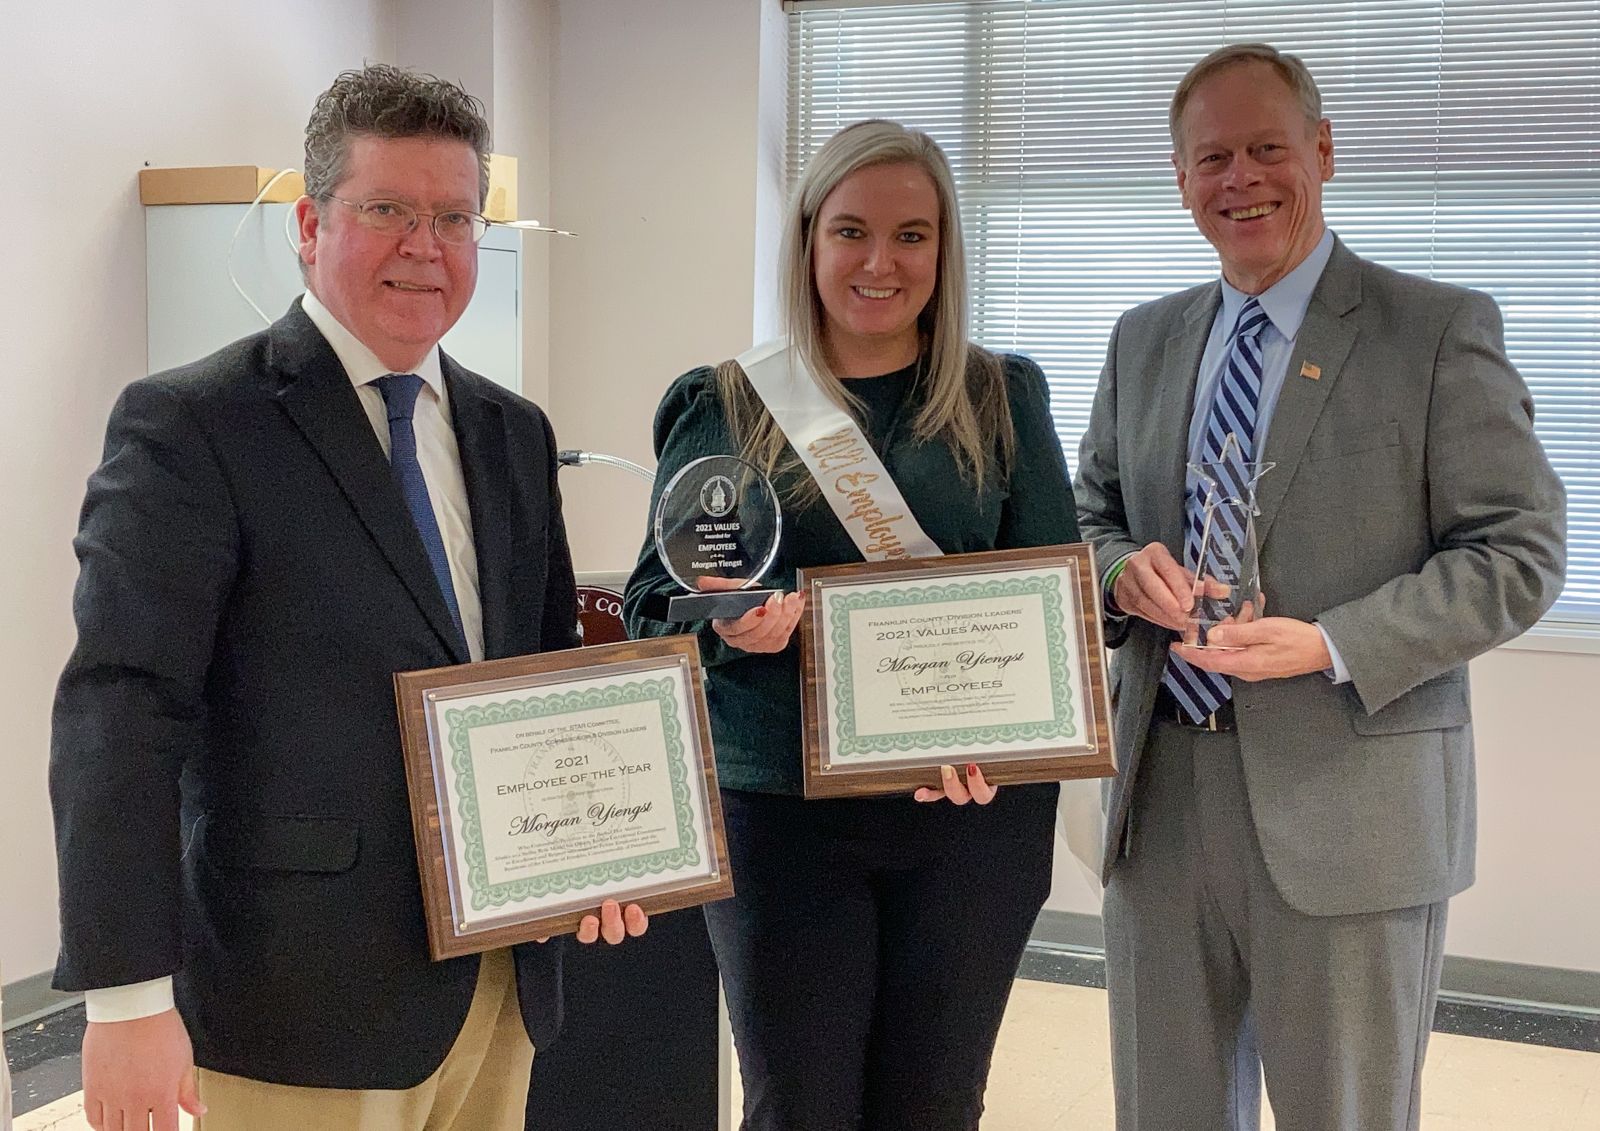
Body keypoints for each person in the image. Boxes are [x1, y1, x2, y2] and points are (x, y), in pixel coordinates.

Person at [50, 64, 644, 1131]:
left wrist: (597, 853)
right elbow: (120, 712)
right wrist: (129, 999)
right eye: (388, 210)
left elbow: (541, 684)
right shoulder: (192, 426)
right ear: (310, 226)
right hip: (296, 998)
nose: (426, 245)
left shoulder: (514, 434)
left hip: (497, 983)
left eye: (454, 217)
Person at [1074, 42, 1566, 1131]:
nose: (1238, 179)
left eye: (1264, 149)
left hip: (1351, 807)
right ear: (1179, 178)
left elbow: (1518, 553)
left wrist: (1330, 641)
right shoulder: (1141, 340)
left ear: (1324, 152)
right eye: (1211, 157)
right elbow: (1089, 515)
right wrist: (1118, 571)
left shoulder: (1433, 330)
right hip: (1159, 807)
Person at [623, 119, 1079, 1131]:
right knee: (798, 1105)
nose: (881, 262)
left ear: (944, 250)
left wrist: (1003, 741)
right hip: (780, 813)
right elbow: (657, 602)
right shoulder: (730, 404)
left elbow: (1056, 598)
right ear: (807, 242)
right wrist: (728, 625)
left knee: (934, 1101)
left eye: (911, 235)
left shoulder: (1000, 398)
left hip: (970, 814)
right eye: (851, 232)